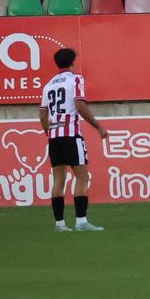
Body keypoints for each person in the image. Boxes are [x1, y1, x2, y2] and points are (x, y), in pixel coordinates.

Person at [40, 47, 109, 232]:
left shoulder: (48, 85)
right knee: (82, 177)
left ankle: (60, 224)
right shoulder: (76, 79)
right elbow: (79, 105)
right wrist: (99, 127)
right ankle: (80, 221)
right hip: (71, 135)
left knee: (58, 179)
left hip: (54, 137)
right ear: (72, 62)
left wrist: (51, 133)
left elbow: (42, 114)